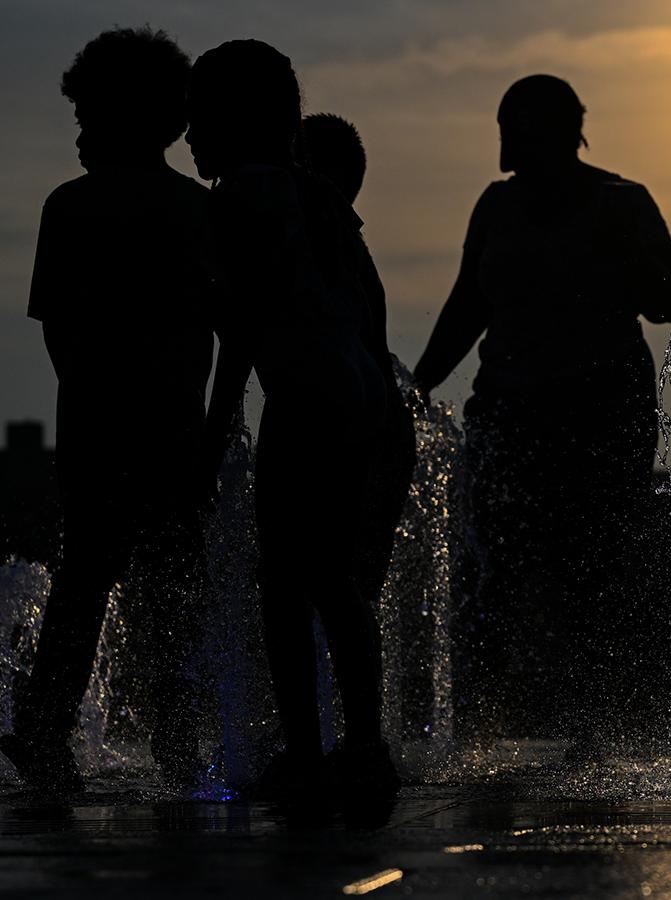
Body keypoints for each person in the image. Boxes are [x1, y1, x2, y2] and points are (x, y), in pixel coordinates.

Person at [411, 75, 671, 744]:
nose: (506, 141)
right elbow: (468, 305)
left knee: (592, 564)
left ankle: (598, 720)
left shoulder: (622, 202)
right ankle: (484, 720)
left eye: (519, 127)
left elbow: (669, 302)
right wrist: (417, 385)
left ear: (563, 133)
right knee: (496, 561)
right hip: (510, 407)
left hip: (602, 410)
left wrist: (628, 259)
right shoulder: (496, 206)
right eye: (504, 126)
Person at [1, 26, 212, 793]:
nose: (81, 134)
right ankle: (180, 746)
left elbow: (62, 335)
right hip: (176, 435)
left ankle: (45, 730)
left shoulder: (71, 208)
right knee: (170, 598)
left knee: (84, 587)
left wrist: (98, 401)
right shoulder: (197, 211)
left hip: (96, 431)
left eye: (88, 116)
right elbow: (220, 333)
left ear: (126, 118)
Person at [188, 40, 395, 805]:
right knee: (336, 579)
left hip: (303, 394)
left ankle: (306, 753)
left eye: (197, 117)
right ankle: (366, 743)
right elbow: (369, 305)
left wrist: (213, 438)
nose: (189, 136)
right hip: (359, 388)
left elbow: (239, 329)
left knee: (282, 582)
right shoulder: (321, 196)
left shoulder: (237, 199)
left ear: (231, 121)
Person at [299, 111, 417, 635]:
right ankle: (337, 716)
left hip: (359, 433)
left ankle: (338, 718)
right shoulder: (341, 242)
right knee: (336, 592)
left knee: (333, 591)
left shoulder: (326, 243)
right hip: (371, 429)